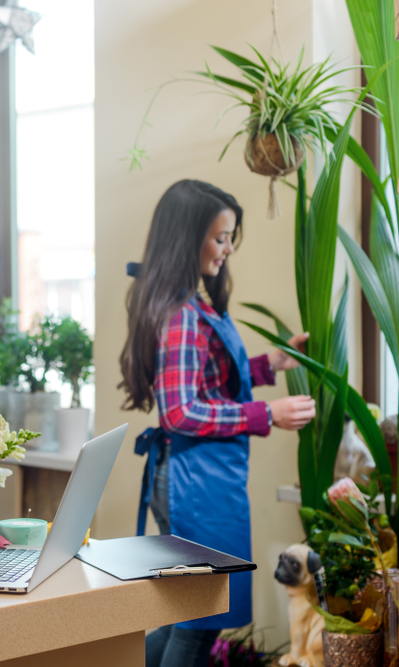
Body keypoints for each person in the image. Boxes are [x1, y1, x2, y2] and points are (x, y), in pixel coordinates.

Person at [119, 180, 316, 667]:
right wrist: (266, 413)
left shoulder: (189, 303)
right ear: (188, 239)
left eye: (231, 237)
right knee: (199, 625)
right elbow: (181, 411)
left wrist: (270, 364)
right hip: (193, 483)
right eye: (220, 237)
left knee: (186, 619)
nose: (228, 249)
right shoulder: (184, 313)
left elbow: (209, 380)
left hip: (198, 479)